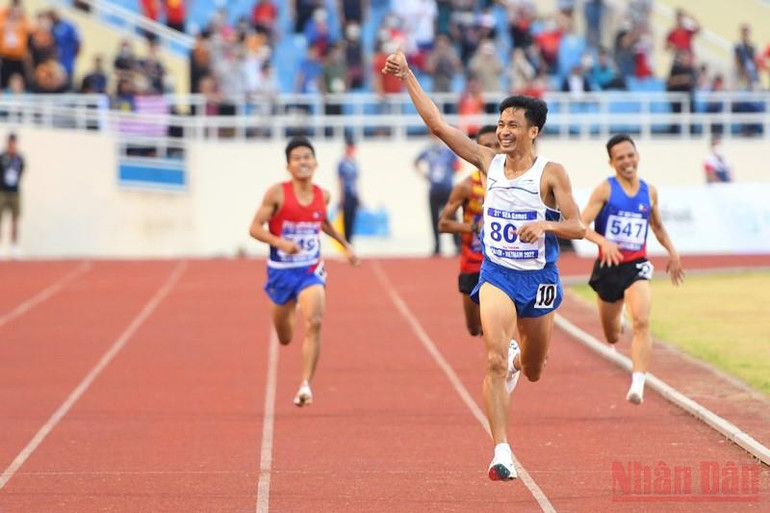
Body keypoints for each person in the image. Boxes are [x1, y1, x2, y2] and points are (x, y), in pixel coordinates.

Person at [382, 49, 586, 481]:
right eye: (500, 123)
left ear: (534, 131)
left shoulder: (552, 174)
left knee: (531, 370)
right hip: (496, 274)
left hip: (540, 279)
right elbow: (437, 125)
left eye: (513, 125)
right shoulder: (487, 163)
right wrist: (408, 75)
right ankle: (502, 450)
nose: (504, 131)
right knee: (492, 360)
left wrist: (544, 227)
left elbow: (579, 227)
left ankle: (517, 362)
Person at [249, 137, 359, 407]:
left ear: (316, 163)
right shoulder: (276, 194)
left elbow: (323, 222)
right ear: (289, 166)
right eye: (297, 158)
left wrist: (346, 246)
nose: (302, 162)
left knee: (315, 322)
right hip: (281, 272)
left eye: (307, 157)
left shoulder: (324, 195)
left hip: (310, 269)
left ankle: (305, 385)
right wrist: (280, 243)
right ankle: (290, 306)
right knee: (285, 337)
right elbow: (255, 228)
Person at [581, 134, 684, 405]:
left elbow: (657, 226)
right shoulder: (605, 189)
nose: (627, 162)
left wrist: (673, 252)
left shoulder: (649, 191)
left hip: (636, 265)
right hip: (608, 267)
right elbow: (580, 225)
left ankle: (638, 382)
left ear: (637, 157)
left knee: (643, 322)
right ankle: (619, 318)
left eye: (630, 156)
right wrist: (604, 242)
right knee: (612, 334)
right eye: (620, 158)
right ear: (611, 162)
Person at [437, 125, 499, 337]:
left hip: (503, 265)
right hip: (472, 265)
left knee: (498, 328)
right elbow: (443, 224)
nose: (494, 150)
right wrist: (473, 227)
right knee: (474, 328)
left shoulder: (514, 182)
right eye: (487, 146)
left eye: (497, 145)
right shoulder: (465, 186)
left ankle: (500, 361)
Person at [414, 135, 459, 256]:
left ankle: (457, 244)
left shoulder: (448, 152)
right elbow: (415, 162)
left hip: (448, 189)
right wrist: (424, 175)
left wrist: (449, 174)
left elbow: (458, 166)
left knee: (452, 216)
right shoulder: (428, 151)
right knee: (434, 218)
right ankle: (437, 246)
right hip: (434, 189)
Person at [0, 133, 24, 259]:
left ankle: (14, 247)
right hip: (2, 192)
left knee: (15, 219)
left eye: (13, 143)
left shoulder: (19, 158)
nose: (11, 146)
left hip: (15, 192)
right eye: (10, 143)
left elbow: (22, 172)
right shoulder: (2, 157)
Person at [337, 136, 360, 243]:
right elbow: (340, 180)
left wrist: (359, 196)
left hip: (353, 194)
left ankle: (350, 243)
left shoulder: (354, 163)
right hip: (346, 194)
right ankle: (346, 244)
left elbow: (356, 181)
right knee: (346, 221)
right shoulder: (342, 163)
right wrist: (341, 197)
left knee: (352, 220)